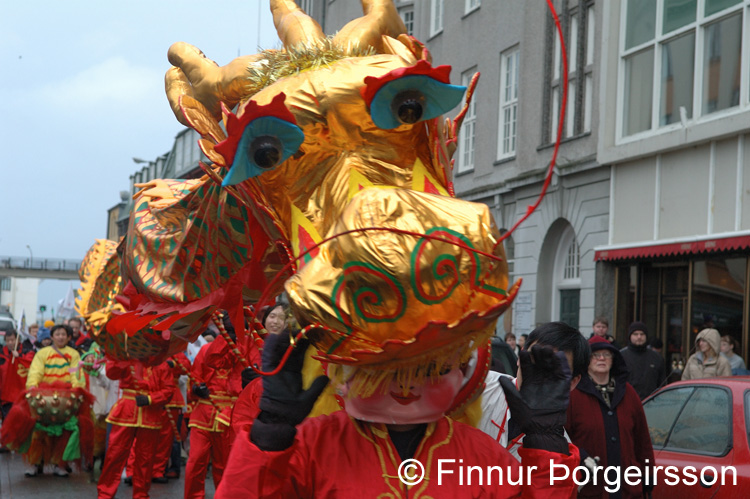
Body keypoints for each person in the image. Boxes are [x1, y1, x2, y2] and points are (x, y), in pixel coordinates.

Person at [216, 331, 579, 497]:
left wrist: (546, 441)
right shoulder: (315, 443)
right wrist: (270, 436)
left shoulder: (479, 454)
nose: (405, 387)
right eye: (389, 368)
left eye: (424, 369)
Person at [566, 336, 654, 498]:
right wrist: (582, 459)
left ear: (614, 359)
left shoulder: (628, 393)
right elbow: (562, 440)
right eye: (595, 354)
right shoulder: (573, 394)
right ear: (586, 360)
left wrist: (647, 474)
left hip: (627, 488)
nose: (601, 358)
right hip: (590, 488)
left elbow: (642, 440)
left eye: (606, 354)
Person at [480, 322, 590, 450]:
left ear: (573, 382)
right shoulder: (479, 388)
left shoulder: (560, 452)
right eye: (533, 358)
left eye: (553, 367)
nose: (539, 371)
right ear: (520, 357)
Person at [96, 358, 175, 499]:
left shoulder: (161, 363)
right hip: (126, 410)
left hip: (150, 413)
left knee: (146, 459)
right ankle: (105, 494)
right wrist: (119, 357)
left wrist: (151, 399)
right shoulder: (127, 358)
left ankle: (141, 494)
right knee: (115, 455)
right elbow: (111, 373)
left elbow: (168, 390)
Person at [184, 315, 242, 499]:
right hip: (203, 413)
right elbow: (194, 380)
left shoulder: (244, 351)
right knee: (195, 461)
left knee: (224, 465)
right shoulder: (207, 350)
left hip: (229, 415)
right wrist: (196, 389)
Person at [24, 324, 87, 477]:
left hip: (66, 398)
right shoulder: (42, 353)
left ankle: (60, 465)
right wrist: (32, 386)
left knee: (65, 433)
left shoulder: (74, 354)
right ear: (51, 337)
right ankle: (35, 463)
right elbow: (36, 371)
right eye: (57, 334)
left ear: (69, 337)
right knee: (38, 431)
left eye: (63, 334)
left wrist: (77, 388)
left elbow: (76, 374)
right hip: (44, 397)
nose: (60, 337)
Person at [619, 321, 665, 399]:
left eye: (642, 334)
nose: (639, 337)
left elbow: (662, 383)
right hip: (627, 403)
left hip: (652, 403)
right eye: (635, 334)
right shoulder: (621, 356)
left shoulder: (656, 358)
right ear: (630, 336)